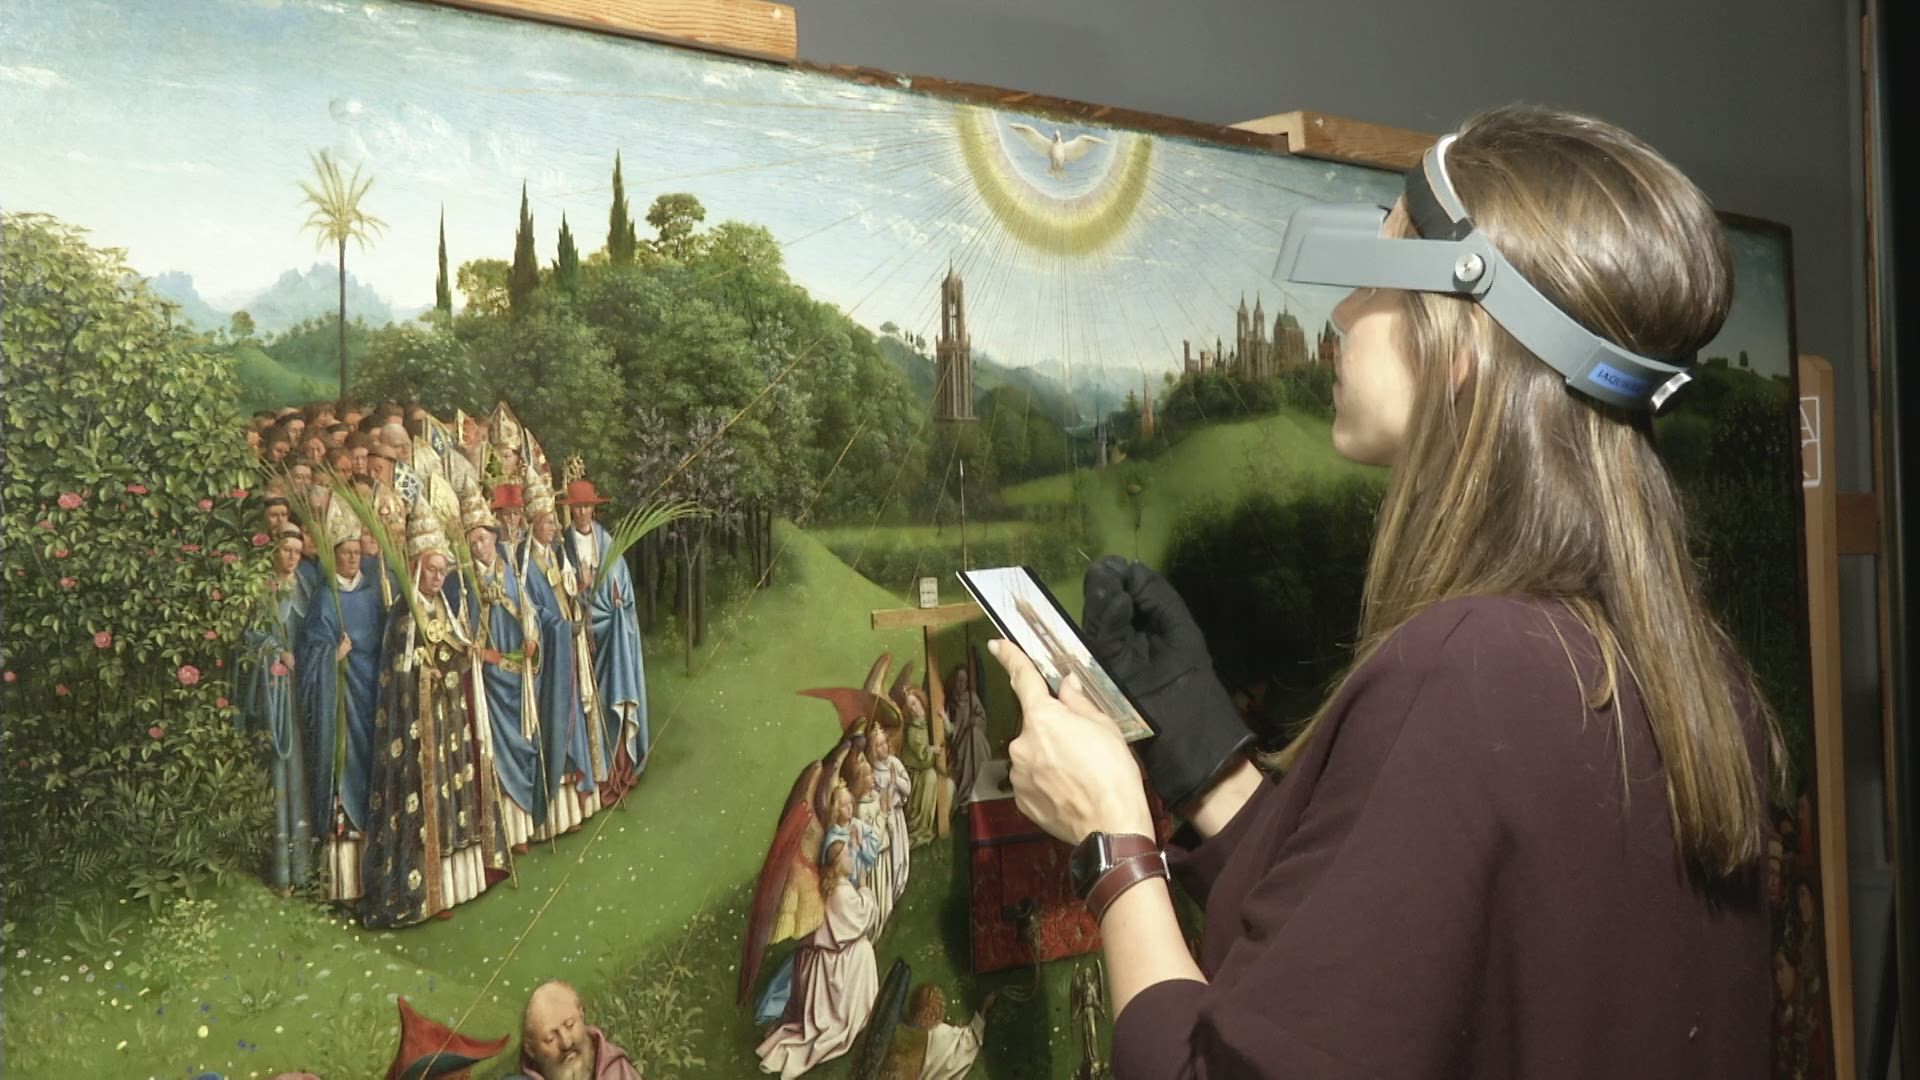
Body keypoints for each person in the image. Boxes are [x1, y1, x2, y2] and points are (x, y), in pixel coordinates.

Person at [990, 106, 1778, 1079]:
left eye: (1376, 279)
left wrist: (1112, 837)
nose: (1341, 317)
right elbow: (1394, 961)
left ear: (1460, 341)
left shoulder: (1469, 666)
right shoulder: (1686, 675)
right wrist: (1210, 770)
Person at [360, 482, 504, 928]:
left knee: (453, 793)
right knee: (422, 803)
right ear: (417, 569)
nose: (439, 578)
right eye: (433, 571)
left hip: (448, 724)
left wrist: (468, 656)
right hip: (417, 731)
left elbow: (455, 650)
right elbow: (400, 674)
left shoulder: (443, 606)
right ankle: (420, 894)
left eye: (443, 571)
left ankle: (458, 886)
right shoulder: (405, 616)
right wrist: (430, 674)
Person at [298, 498, 388, 904]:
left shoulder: (372, 593)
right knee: (344, 770)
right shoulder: (324, 598)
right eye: (345, 553)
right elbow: (310, 652)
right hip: (341, 701)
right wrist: (333, 657)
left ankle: (375, 877)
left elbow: (384, 640)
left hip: (370, 697)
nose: (352, 558)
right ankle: (343, 884)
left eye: (356, 552)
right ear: (333, 556)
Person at [556, 461, 650, 805]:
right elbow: (560, 592)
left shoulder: (607, 543)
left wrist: (615, 603)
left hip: (611, 638)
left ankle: (618, 770)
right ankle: (591, 776)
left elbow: (621, 592)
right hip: (579, 636)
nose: (582, 513)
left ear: (594, 509)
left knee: (612, 699)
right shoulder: (562, 545)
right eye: (577, 507)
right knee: (583, 706)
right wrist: (578, 595)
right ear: (570, 510)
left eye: (587, 507)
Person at [756, 839, 880, 1079]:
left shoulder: (834, 887)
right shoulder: (841, 892)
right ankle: (857, 1014)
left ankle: (862, 1012)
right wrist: (866, 889)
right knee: (864, 951)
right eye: (847, 856)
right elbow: (860, 920)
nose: (852, 859)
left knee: (863, 949)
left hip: (825, 956)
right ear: (837, 864)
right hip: (832, 962)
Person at [240, 525, 313, 891]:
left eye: (297, 551)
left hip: (305, 689)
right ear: (274, 552)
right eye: (286, 550)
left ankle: (305, 870)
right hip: (277, 692)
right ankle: (281, 871)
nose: (292, 557)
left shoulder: (306, 587)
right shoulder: (263, 590)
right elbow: (249, 634)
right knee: (281, 766)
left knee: (304, 768)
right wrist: (274, 649)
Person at [508, 980, 639, 1080]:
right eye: (550, 1039)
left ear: (581, 1014)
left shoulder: (618, 1070)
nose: (566, 1043)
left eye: (570, 1025)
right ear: (531, 1049)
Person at [897, 687, 945, 849]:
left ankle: (932, 824)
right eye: (909, 706)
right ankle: (921, 825)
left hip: (924, 771)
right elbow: (923, 759)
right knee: (931, 776)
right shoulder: (913, 730)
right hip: (916, 777)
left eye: (914, 703)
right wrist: (933, 750)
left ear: (921, 702)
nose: (913, 708)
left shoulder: (926, 722)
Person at [945, 664, 992, 807]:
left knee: (974, 735)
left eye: (964, 681)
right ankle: (966, 793)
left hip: (974, 743)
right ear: (954, 681)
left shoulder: (972, 698)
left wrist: (975, 721)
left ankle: (978, 788)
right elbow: (949, 730)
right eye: (959, 680)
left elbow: (982, 717)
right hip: (958, 746)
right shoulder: (949, 701)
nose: (961, 684)